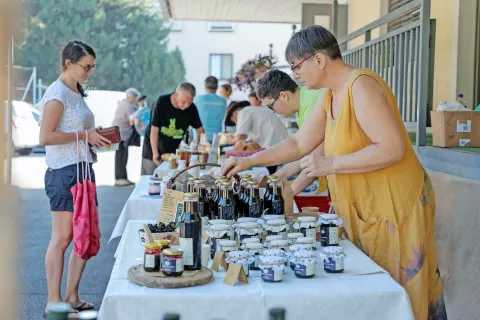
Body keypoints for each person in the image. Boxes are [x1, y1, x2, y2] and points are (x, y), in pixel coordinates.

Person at [221, 25, 447, 320]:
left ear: (319, 59)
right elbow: (299, 143)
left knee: (401, 294)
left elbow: (392, 149)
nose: (295, 75)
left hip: (396, 207)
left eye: (296, 66)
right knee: (375, 293)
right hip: (368, 207)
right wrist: (250, 161)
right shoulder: (330, 94)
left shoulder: (360, 85)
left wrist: (330, 165)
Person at [39, 40, 111, 318]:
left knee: (85, 233)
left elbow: (79, 131)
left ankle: (71, 296)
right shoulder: (57, 94)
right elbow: (45, 137)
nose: (90, 71)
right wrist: (85, 136)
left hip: (82, 170)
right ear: (68, 63)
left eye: (92, 66)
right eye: (86, 66)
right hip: (63, 172)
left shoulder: (76, 92)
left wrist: (95, 137)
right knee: (62, 238)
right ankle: (53, 302)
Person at [256, 69, 323, 194]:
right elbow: (304, 158)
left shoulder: (311, 104)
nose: (273, 111)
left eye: (271, 106)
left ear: (283, 96)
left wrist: (287, 196)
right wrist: (269, 180)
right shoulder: (302, 107)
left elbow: (315, 160)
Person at [142, 83, 205, 175]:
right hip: (152, 149)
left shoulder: (191, 109)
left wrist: (197, 148)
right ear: (176, 95)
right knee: (149, 180)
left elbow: (200, 130)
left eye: (190, 102)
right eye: (183, 102)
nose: (187, 105)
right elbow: (154, 130)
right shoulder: (161, 102)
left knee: (170, 180)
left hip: (172, 154)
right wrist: (155, 153)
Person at [224, 101, 289, 174]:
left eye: (234, 121)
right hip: (280, 143)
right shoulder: (254, 110)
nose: (236, 123)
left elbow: (240, 137)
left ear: (234, 114)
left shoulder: (243, 112)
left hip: (273, 146)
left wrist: (228, 141)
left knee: (271, 175)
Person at [112, 88, 140, 186]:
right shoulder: (129, 106)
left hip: (117, 133)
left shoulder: (122, 103)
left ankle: (122, 177)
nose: (136, 99)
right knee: (122, 156)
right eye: (135, 97)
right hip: (123, 134)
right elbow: (132, 121)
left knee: (120, 155)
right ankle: (120, 178)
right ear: (131, 97)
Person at [194, 76, 227, 141]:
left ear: (205, 86)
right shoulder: (223, 101)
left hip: (200, 138)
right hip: (217, 138)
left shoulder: (198, 99)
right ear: (217, 87)